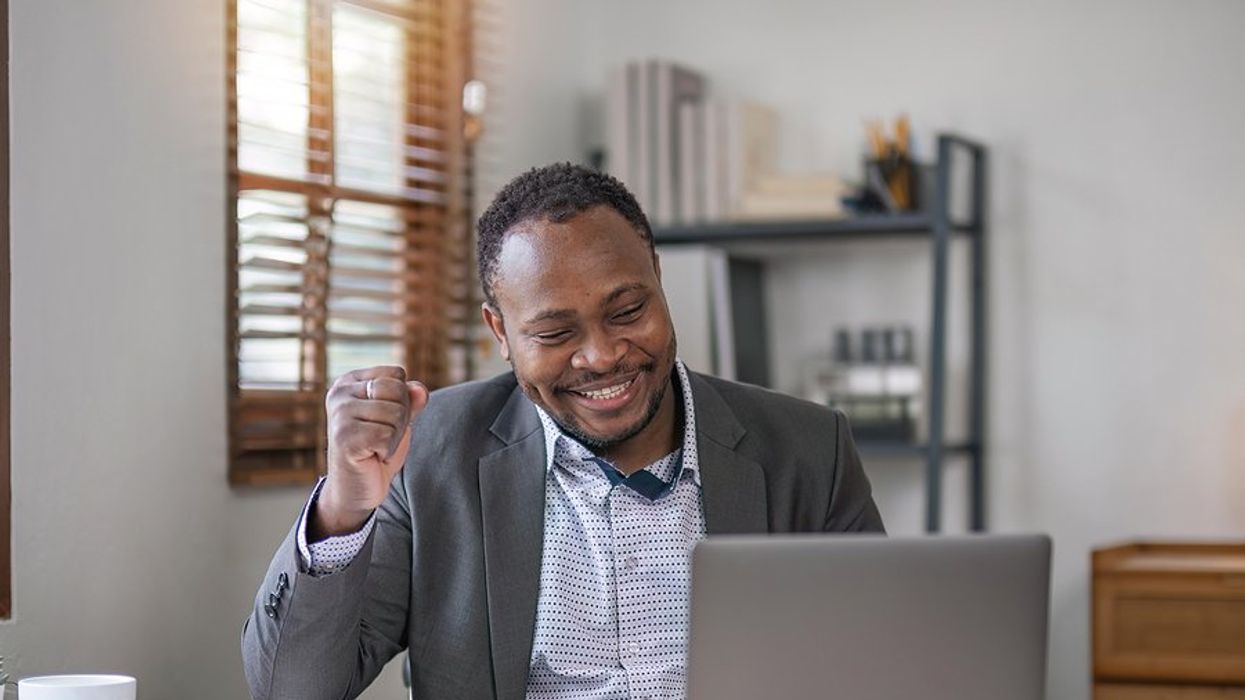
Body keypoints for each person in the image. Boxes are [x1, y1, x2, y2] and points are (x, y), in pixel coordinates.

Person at [241, 163, 885, 700]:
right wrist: (343, 507)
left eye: (628, 311)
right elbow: (293, 690)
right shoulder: (433, 452)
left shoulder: (809, 450)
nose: (601, 356)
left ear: (660, 281)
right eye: (555, 334)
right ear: (501, 333)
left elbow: (881, 668)